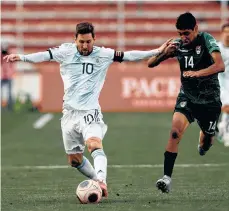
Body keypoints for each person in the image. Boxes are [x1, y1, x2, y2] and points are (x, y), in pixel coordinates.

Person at [4, 22, 172, 198]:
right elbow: (44, 56)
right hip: (69, 114)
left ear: (94, 39)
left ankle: (101, 181)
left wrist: (157, 51)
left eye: (88, 42)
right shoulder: (65, 51)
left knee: (93, 143)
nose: (85, 46)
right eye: (81, 42)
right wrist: (22, 57)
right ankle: (96, 181)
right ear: (75, 39)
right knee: (74, 160)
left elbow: (130, 55)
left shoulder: (103, 54)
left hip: (90, 112)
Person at [147, 12, 225, 193]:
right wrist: (164, 54)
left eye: (187, 33)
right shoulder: (177, 44)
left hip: (209, 101)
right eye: (180, 33)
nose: (184, 37)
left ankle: (204, 140)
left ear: (196, 29)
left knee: (207, 141)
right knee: (175, 132)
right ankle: (166, 178)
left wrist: (197, 73)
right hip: (187, 98)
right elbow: (151, 63)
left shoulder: (207, 40)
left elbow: (220, 65)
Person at [217, 23, 229, 147]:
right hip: (220, 81)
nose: (228, 34)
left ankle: (223, 126)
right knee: (227, 107)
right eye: (226, 32)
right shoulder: (216, 48)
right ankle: (226, 133)